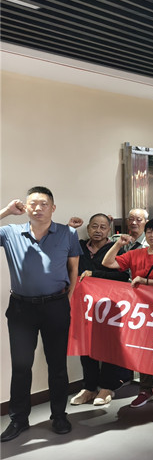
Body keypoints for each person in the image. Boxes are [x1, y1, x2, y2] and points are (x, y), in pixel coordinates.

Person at [0, 187, 81, 442]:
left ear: (53, 208)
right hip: (21, 308)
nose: (38, 208)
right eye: (33, 203)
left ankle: (59, 415)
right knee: (21, 366)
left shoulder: (68, 233)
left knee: (57, 365)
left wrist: (67, 300)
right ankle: (18, 419)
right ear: (25, 207)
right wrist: (6, 211)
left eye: (44, 203)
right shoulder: (10, 232)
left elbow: (74, 270)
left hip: (55, 306)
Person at [102, 218, 153, 407]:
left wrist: (146, 282)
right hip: (140, 309)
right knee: (144, 349)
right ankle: (146, 389)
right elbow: (107, 262)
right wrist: (118, 244)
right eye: (149, 231)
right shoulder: (135, 254)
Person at [71, 213, 132, 407]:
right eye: (94, 226)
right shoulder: (79, 246)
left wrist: (95, 274)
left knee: (108, 346)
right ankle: (89, 387)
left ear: (109, 230)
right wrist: (70, 228)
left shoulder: (116, 249)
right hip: (84, 305)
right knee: (85, 345)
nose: (98, 230)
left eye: (103, 227)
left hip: (109, 306)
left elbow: (123, 277)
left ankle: (107, 387)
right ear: (88, 228)